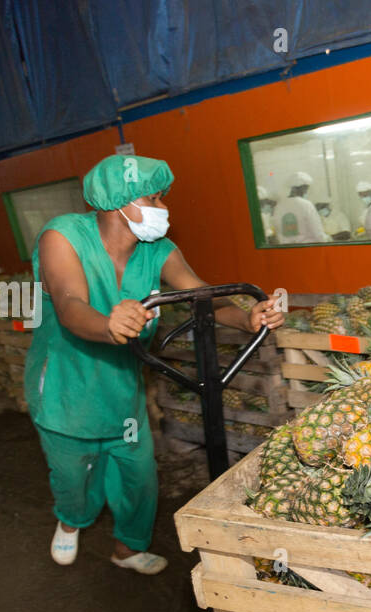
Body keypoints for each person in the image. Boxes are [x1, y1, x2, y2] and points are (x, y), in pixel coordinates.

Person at [25, 154, 285, 575]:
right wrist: (108, 324)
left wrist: (246, 316)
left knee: (138, 476)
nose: (164, 209)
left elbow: (201, 294)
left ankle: (127, 547)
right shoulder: (64, 235)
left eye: (163, 198)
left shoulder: (158, 249)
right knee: (75, 476)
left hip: (122, 385)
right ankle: (71, 519)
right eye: (154, 197)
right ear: (118, 200)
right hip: (65, 388)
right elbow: (70, 303)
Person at [272, 171, 328, 244]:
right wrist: (328, 239)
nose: (306, 192)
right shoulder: (306, 205)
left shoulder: (279, 206)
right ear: (301, 188)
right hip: (306, 249)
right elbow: (318, 233)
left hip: (286, 249)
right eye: (306, 189)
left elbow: (278, 230)